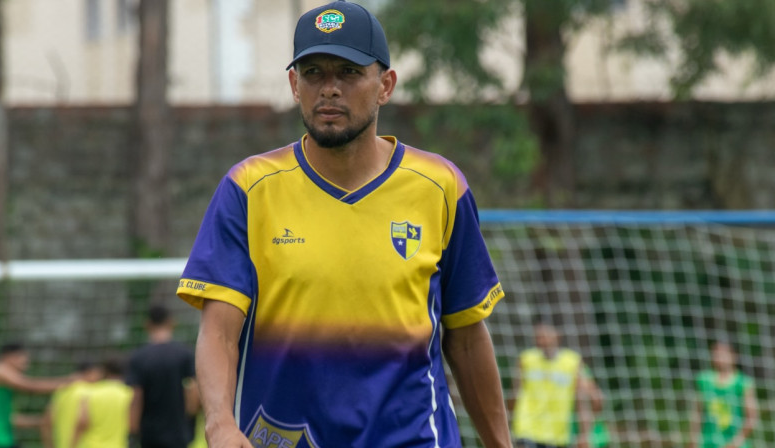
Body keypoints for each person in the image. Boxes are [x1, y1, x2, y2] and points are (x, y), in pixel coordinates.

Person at [176, 2, 511, 446]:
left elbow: (466, 338)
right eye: (313, 73)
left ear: (385, 85)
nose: (329, 89)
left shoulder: (441, 186)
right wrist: (219, 422)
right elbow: (219, 332)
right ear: (294, 85)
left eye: (349, 73)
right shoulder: (249, 188)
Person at [0, 343, 70, 448]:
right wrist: (69, 382)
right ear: (6, 357)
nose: (25, 362)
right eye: (20, 357)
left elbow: (12, 418)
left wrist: (39, 421)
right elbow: (29, 386)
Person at [510, 322, 592, 448]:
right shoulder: (526, 359)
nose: (541, 340)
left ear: (557, 336)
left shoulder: (573, 362)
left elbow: (581, 401)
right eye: (538, 337)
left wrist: (584, 434)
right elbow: (515, 395)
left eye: (544, 336)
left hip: (557, 433)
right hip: (526, 427)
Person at [126, 304, 198, 448]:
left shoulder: (139, 357)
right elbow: (192, 391)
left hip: (150, 434)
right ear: (172, 322)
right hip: (178, 432)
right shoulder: (184, 354)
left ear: (147, 324)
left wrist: (133, 432)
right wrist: (189, 421)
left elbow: (137, 396)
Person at [689, 340, 758, 448]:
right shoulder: (704, 380)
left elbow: (751, 418)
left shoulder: (743, 383)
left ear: (734, 356)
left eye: (723, 354)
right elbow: (697, 414)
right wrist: (693, 440)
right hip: (708, 443)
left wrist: (735, 442)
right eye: (715, 353)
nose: (719, 357)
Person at [71, 356, 133, 448]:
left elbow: (82, 422)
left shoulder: (91, 392)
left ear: (105, 371)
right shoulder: (130, 394)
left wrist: (72, 445)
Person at [40, 360, 104, 448]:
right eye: (98, 374)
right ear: (90, 373)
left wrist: (49, 445)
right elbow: (82, 421)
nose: (99, 379)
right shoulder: (92, 393)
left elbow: (46, 422)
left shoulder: (61, 392)